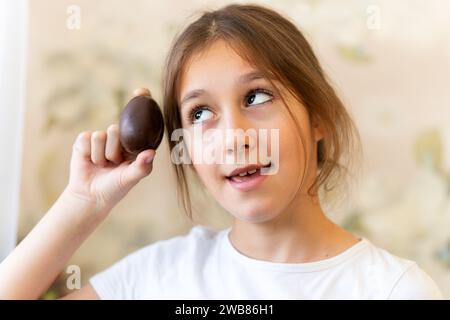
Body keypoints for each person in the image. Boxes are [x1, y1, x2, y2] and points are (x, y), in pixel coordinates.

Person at [0, 3, 443, 300]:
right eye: (199, 114)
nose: (232, 136)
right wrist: (82, 204)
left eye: (256, 97)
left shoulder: (394, 289)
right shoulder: (157, 278)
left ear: (318, 116)